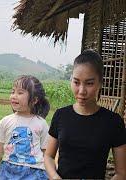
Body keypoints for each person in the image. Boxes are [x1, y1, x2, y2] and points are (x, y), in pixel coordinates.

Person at [44, 50, 126, 179]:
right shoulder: (61, 115)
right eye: (76, 82)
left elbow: (122, 173)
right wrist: (55, 177)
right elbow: (48, 156)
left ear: (100, 83)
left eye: (89, 83)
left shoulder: (113, 122)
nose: (81, 91)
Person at [0, 75, 50, 180]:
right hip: (8, 170)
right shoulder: (6, 121)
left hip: (34, 172)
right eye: (13, 92)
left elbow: (46, 151)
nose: (14, 96)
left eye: (20, 93)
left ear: (34, 100)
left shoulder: (41, 123)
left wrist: (51, 173)